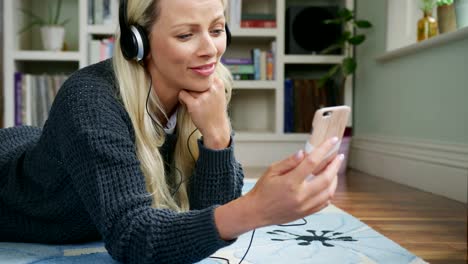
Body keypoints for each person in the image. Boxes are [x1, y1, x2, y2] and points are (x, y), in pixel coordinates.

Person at [0, 0, 343, 263]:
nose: (210, 49)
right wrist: (254, 209)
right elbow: (133, 238)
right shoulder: (88, 100)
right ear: (138, 42)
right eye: (185, 34)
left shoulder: (206, 86)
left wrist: (217, 135)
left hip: (39, 145)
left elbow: (207, 211)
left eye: (217, 28)